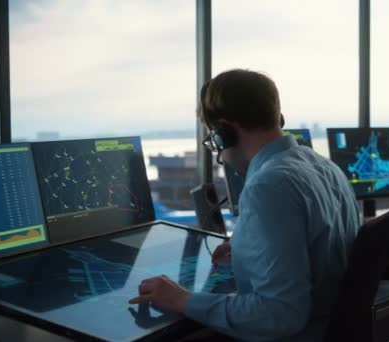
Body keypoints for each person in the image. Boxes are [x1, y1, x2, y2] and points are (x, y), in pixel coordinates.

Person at [130, 69, 360, 341]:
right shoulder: (324, 166)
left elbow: (281, 314)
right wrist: (246, 247)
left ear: (224, 131)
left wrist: (182, 300)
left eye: (213, 138)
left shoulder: (268, 186)